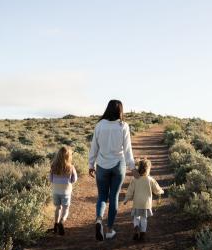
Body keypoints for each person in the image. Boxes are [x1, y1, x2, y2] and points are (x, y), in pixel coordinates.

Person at [88, 99, 136, 241]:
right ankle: (109, 230)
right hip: (118, 165)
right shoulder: (123, 126)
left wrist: (91, 164)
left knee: (102, 196)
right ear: (120, 110)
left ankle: (98, 220)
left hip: (102, 165)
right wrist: (132, 167)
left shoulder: (99, 125)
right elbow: (127, 150)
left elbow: (94, 147)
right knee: (114, 197)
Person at [123, 158, 164, 242]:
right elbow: (157, 189)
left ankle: (136, 226)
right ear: (148, 169)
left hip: (137, 203)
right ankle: (142, 234)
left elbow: (130, 191)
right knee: (144, 218)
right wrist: (161, 191)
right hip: (146, 204)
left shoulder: (135, 179)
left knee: (136, 217)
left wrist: (126, 199)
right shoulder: (150, 180)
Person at [49, 146, 78, 236]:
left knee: (58, 208)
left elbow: (51, 179)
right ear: (68, 156)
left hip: (56, 191)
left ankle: (56, 224)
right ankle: (62, 221)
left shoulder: (53, 166)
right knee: (65, 208)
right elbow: (74, 180)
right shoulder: (71, 167)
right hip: (66, 192)